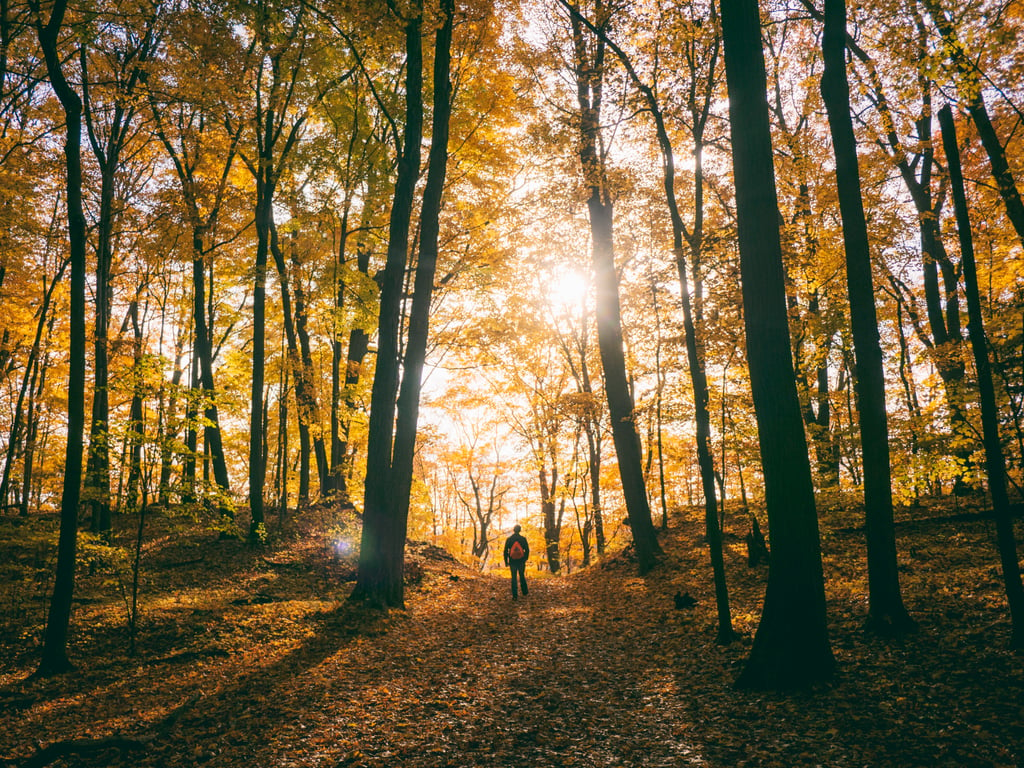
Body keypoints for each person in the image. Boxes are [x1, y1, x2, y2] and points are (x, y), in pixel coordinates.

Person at [503, 524, 530, 600]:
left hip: (512, 561)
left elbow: (505, 551)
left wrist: (506, 561)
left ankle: (515, 595)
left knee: (514, 577)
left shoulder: (509, 539)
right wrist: (525, 559)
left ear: (513, 530)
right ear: (520, 530)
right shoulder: (523, 539)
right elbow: (527, 550)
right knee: (522, 575)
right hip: (521, 561)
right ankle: (525, 592)